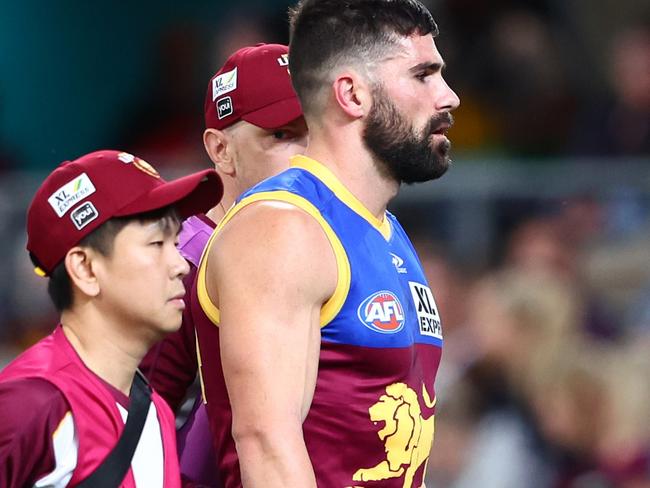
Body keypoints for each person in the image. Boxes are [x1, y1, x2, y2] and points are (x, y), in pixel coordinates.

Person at [195, 0, 460, 486]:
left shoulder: (387, 231)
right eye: (424, 75)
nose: (449, 97)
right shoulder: (283, 227)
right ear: (352, 94)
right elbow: (267, 447)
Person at [0, 149, 222, 487]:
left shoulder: (155, 411)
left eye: (176, 242)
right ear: (85, 268)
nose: (180, 265)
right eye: (156, 243)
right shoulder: (32, 403)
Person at [139, 43, 307, 486]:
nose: (309, 156)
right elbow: (134, 432)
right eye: (283, 136)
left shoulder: (321, 245)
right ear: (221, 150)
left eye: (317, 132)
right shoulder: (182, 262)